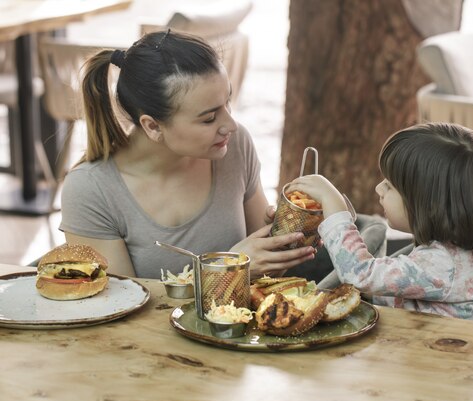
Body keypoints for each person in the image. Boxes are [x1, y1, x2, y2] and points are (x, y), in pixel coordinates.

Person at [60, 30, 316, 278]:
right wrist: (229, 268)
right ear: (153, 126)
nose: (231, 125)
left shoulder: (233, 146)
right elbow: (119, 311)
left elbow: (269, 273)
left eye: (227, 102)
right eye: (209, 118)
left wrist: (298, 229)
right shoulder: (91, 191)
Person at [289, 122, 473, 322]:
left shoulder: (443, 264)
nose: (378, 189)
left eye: (390, 186)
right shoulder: (449, 255)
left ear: (428, 205)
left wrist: (334, 208)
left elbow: (359, 274)